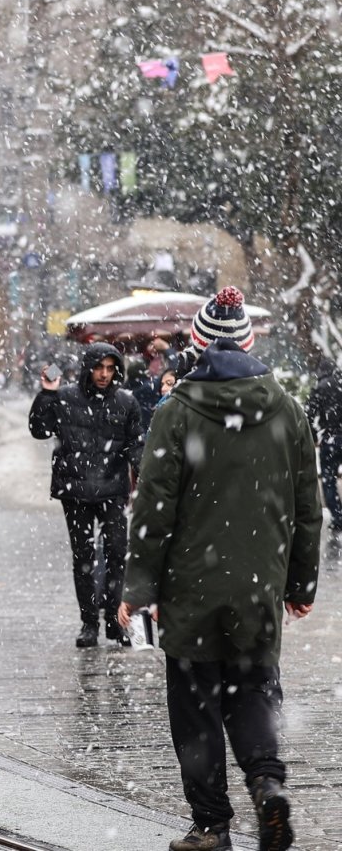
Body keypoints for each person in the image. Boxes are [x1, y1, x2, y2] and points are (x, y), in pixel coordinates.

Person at [119, 288, 321, 851]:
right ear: (251, 345)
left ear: (199, 345)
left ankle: (210, 825)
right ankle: (267, 782)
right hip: (259, 587)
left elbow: (153, 507)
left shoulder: (177, 411)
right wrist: (300, 583)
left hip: (191, 589)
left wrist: (138, 586)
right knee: (254, 689)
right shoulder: (287, 410)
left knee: (195, 706)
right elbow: (309, 507)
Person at [28, 340, 144, 648]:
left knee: (117, 554)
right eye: (99, 368)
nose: (104, 374)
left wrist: (144, 472)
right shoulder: (65, 398)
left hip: (112, 490)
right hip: (76, 490)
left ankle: (113, 622)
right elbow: (39, 429)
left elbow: (136, 444)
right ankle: (89, 622)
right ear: (88, 369)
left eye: (110, 368)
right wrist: (47, 393)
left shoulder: (126, 403)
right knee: (83, 557)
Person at [304, 356, 342, 533]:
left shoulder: (320, 388)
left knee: (328, 480)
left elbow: (309, 415)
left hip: (331, 440)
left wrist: (311, 436)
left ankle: (338, 517)